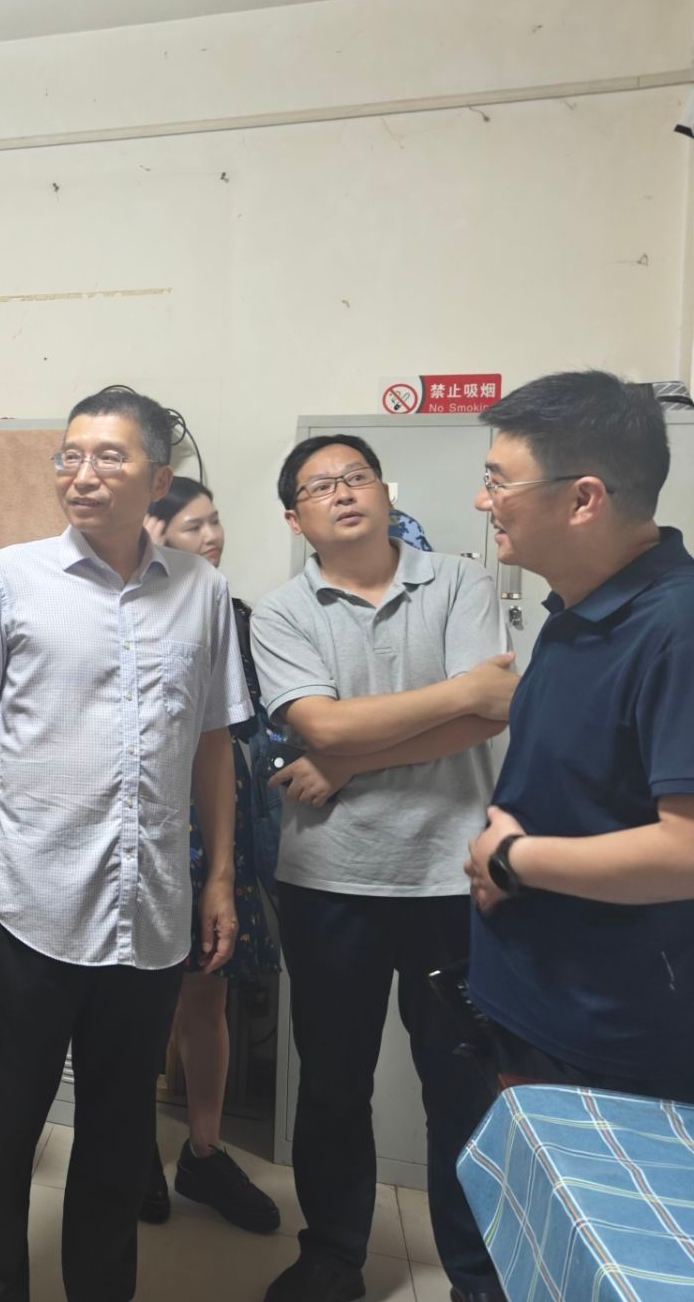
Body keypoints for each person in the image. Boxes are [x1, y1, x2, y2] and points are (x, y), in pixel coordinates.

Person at [0, 385, 250, 1302]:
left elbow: (213, 741)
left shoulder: (203, 591)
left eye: (109, 457)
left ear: (157, 477)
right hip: (30, 904)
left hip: (147, 914)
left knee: (117, 1138)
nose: (83, 474)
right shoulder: (10, 577)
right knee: (2, 1128)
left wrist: (220, 877)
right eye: (70, 456)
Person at [249, 434, 517, 1302]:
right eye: (319, 487)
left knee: (462, 1085)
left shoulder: (461, 583)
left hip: (453, 878)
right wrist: (452, 695)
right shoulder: (283, 612)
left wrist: (348, 759)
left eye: (355, 476)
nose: (342, 492)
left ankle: (475, 1275)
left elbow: (490, 716)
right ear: (295, 519)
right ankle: (333, 1256)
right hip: (330, 879)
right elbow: (320, 726)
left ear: (384, 491)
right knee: (333, 1084)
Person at [464, 371, 694, 1102]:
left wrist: (512, 859)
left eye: (499, 482)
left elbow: (686, 851)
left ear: (583, 499)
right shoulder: (574, 612)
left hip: (613, 1040)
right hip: (537, 1005)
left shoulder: (676, 630)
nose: (484, 502)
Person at [140, 479, 282, 1235]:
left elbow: (257, 728)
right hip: (149, 825)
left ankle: (203, 1150)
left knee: (207, 994)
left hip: (220, 825)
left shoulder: (236, 616)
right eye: (194, 525)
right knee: (137, 1000)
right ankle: (133, 1145)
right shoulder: (127, 613)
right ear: (155, 533)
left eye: (215, 522)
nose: (213, 535)